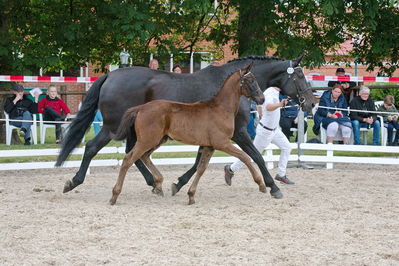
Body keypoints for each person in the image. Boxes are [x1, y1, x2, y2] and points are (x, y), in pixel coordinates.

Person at [224, 86, 294, 185]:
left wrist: (264, 113)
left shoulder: (276, 92)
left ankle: (281, 175)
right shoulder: (270, 92)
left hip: (275, 130)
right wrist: (280, 104)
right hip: (265, 132)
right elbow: (268, 107)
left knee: (287, 147)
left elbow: (260, 107)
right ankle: (231, 169)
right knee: (252, 155)